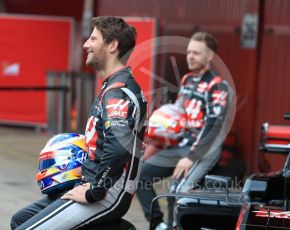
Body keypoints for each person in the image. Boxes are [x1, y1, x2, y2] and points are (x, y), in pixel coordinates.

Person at [11, 16, 147, 229]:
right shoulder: (111, 86)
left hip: (107, 193)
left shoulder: (118, 92)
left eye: (93, 39)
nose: (86, 44)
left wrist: (94, 192)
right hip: (92, 183)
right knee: (20, 220)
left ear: (113, 45)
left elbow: (119, 149)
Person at [136, 32, 234, 230]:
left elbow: (214, 126)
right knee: (140, 176)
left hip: (205, 149)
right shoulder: (188, 80)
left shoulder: (218, 87)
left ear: (210, 56)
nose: (190, 56)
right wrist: (159, 134)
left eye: (196, 53)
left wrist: (191, 157)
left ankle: (175, 226)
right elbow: (179, 113)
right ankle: (158, 225)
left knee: (177, 191)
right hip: (182, 144)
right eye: (189, 52)